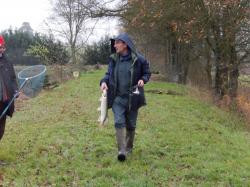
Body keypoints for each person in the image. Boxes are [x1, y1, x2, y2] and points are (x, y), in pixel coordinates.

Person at [100, 33, 151, 161]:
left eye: (117, 42)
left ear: (125, 44)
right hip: (117, 98)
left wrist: (143, 80)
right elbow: (108, 74)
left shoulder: (139, 59)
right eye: (115, 43)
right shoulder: (113, 59)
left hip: (133, 97)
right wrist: (104, 82)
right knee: (118, 122)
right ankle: (121, 150)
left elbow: (147, 72)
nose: (115, 45)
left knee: (131, 124)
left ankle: (128, 147)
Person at [0, 35, 18, 140]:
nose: (1, 49)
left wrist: (15, 90)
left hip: (4, 101)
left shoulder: (7, 62)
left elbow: (12, 78)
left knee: (1, 130)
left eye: (2, 47)